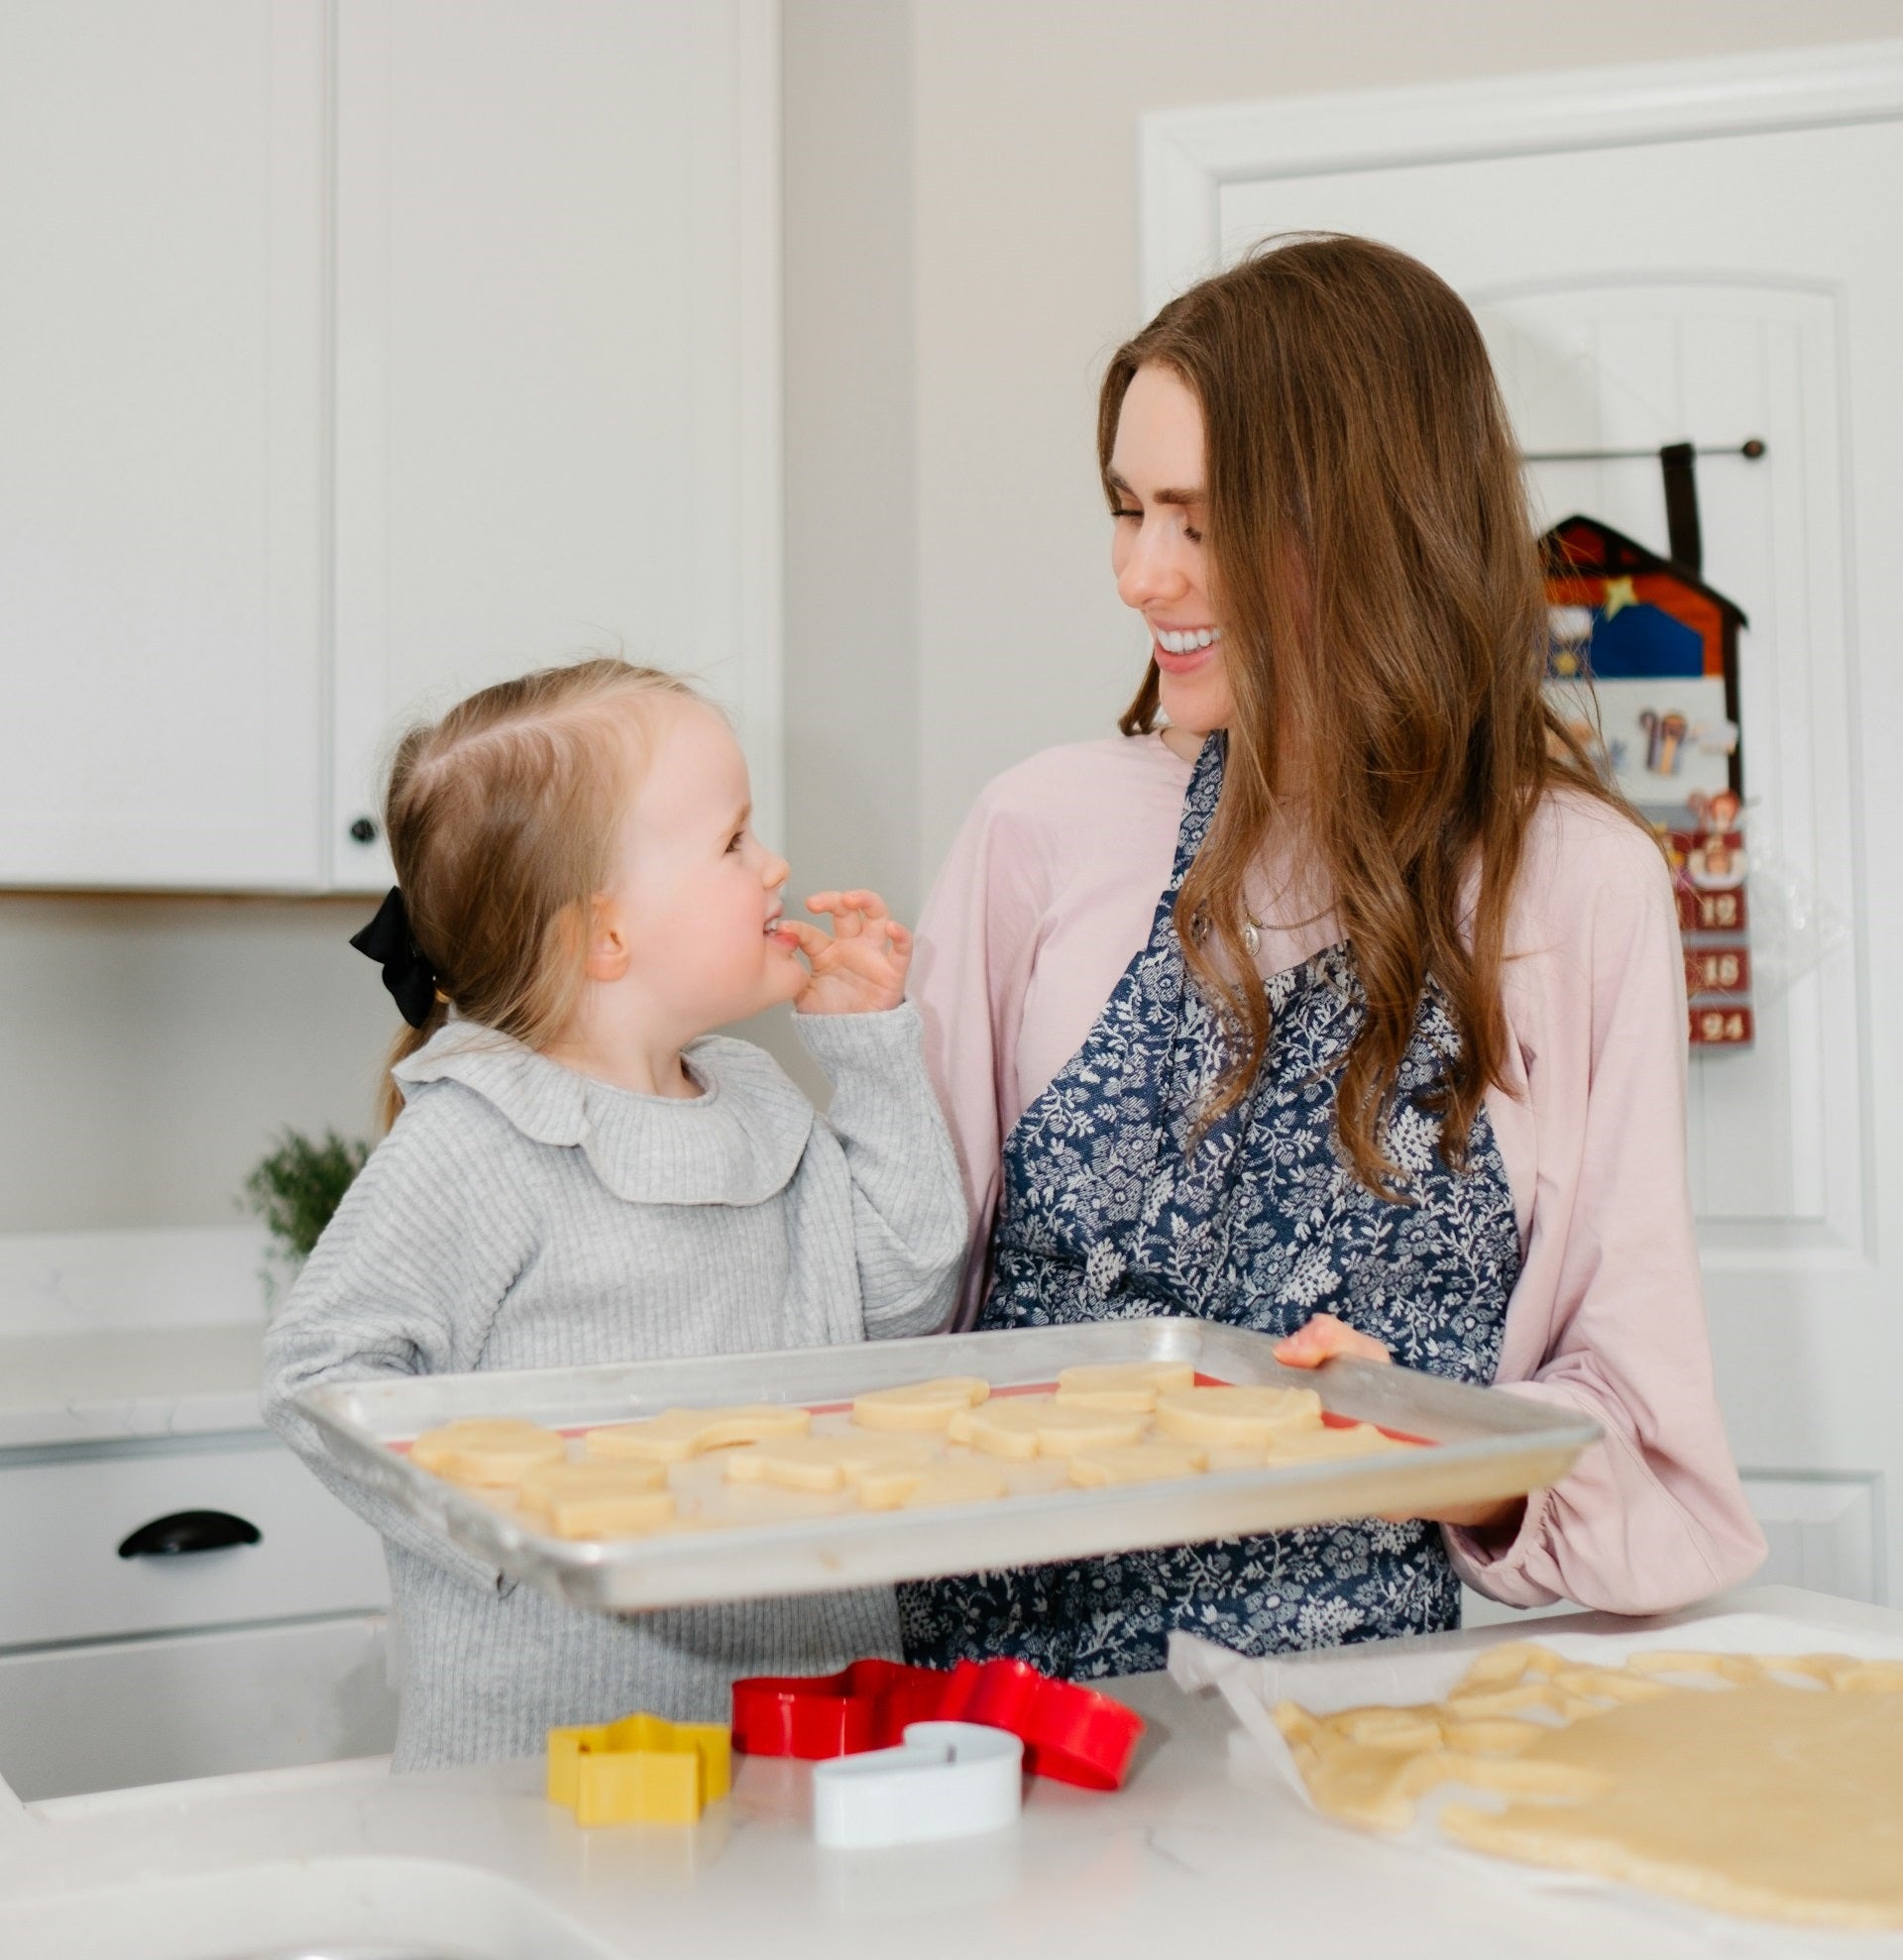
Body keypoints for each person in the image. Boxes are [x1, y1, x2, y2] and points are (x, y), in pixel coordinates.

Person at [900, 235, 1763, 1679]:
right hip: (1000, 1744)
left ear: (1370, 522)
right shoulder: (1038, 831)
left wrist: (1427, 1442)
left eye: (1198, 518)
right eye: (1124, 511)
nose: (1136, 574)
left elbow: (1652, 1459)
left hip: (1359, 1752)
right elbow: (892, 1313)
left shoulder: (1580, 888)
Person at [265, 659, 965, 1767]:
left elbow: (910, 1290)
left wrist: (869, 1053)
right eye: (733, 842)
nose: (774, 862)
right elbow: (319, 1378)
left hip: (801, 1728)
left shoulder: (762, 1105)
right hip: (552, 1763)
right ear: (604, 937)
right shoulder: (477, 1141)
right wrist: (515, 1525)